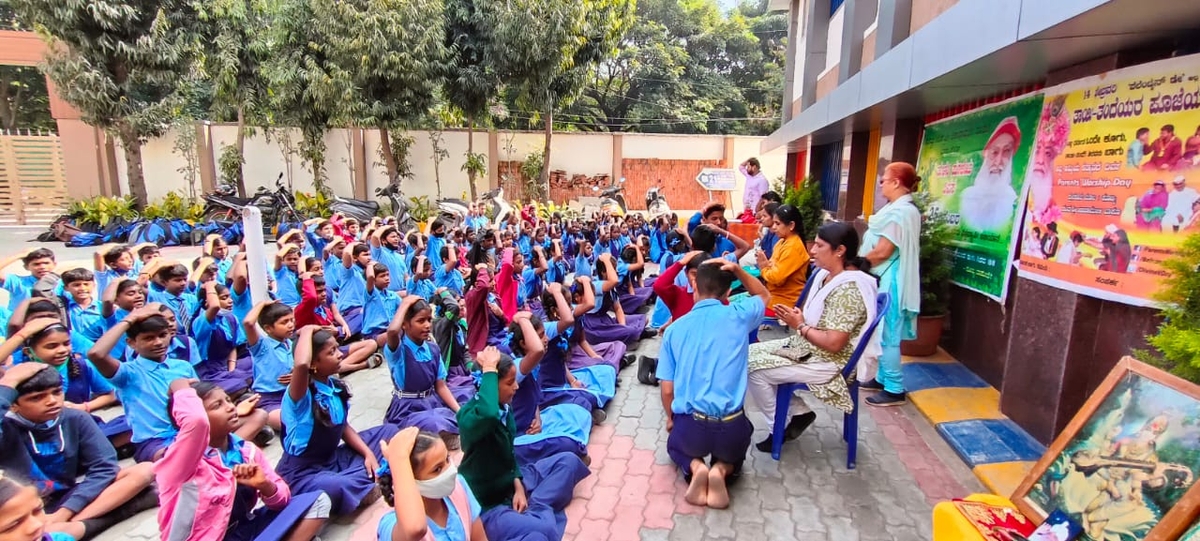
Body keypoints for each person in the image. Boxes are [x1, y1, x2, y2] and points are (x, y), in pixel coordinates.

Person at [746, 222, 879, 453]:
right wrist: (799, 319)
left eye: (819, 245)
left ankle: (780, 426)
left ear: (840, 251)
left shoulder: (849, 289)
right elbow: (819, 320)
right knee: (745, 354)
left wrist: (800, 325)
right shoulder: (826, 275)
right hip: (809, 347)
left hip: (831, 361)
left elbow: (835, 343)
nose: (812, 250)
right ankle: (798, 413)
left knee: (754, 369)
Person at [0, 360, 156, 541]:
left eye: (56, 392)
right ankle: (112, 514)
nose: (51, 401)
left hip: (67, 498)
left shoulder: (75, 417)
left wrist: (65, 512)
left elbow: (105, 467)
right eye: (37, 398)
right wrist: (9, 383)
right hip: (23, 508)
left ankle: (69, 524)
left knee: (144, 470)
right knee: (53, 532)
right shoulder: (6, 427)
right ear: (13, 405)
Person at [158, 379, 330, 541]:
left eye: (228, 400)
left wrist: (265, 485)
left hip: (245, 529)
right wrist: (178, 385)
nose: (231, 407)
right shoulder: (180, 462)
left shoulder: (246, 450)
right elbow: (197, 422)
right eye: (217, 405)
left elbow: (282, 499)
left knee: (319, 502)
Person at [656, 259, 767, 509]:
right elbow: (762, 294)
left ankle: (696, 468)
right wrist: (738, 270)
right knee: (736, 449)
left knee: (676, 445)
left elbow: (667, 390)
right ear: (729, 292)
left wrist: (671, 418)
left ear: (694, 286)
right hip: (731, 426)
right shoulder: (740, 315)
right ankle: (722, 469)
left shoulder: (675, 329)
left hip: (692, 426)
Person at [456, 347, 590, 541]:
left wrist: (518, 486)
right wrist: (490, 369)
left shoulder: (504, 408)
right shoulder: (470, 417)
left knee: (568, 461)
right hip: (490, 508)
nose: (516, 387)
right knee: (545, 532)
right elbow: (488, 415)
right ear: (491, 385)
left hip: (511, 484)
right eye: (510, 383)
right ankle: (536, 512)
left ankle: (535, 505)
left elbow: (510, 456)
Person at [276, 326, 397, 516]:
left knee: (390, 431)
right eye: (331, 352)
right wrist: (306, 330)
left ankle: (364, 477)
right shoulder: (300, 396)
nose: (340, 355)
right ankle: (361, 483)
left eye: (337, 349)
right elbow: (300, 365)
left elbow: (343, 428)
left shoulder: (333, 386)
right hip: (304, 472)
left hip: (333, 458)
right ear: (314, 363)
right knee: (336, 485)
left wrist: (368, 454)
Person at [87, 305, 203, 463]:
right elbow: (96, 354)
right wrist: (129, 320)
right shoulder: (128, 373)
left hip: (189, 432)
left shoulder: (183, 367)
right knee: (178, 458)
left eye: (163, 335)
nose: (158, 342)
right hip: (154, 443)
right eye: (149, 338)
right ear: (131, 343)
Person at [859, 162, 921, 408]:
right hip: (885, 277)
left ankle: (894, 388)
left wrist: (857, 263)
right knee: (883, 331)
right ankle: (883, 379)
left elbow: (884, 251)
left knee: (889, 334)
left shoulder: (902, 212)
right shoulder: (897, 209)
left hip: (892, 278)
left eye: (884, 179)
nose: (880, 183)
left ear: (896, 182)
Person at [382, 296, 471, 438]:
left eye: (429, 320)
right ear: (404, 324)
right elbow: (392, 332)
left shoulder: (433, 349)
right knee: (436, 424)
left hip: (432, 401)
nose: (427, 325)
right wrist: (405, 303)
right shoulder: (399, 351)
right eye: (420, 321)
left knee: (468, 400)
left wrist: (459, 412)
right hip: (408, 409)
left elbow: (441, 387)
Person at [375, 427, 486, 541]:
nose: (450, 471)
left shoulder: (458, 487)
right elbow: (415, 529)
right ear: (411, 481)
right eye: (437, 469)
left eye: (447, 459)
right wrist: (398, 458)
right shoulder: (391, 524)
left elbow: (479, 538)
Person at [192, 281, 254, 396]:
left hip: (226, 365)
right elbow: (215, 306)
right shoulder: (200, 322)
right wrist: (209, 285)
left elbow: (233, 347)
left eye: (229, 296)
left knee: (258, 365)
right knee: (238, 384)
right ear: (207, 303)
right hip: (208, 372)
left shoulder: (230, 318)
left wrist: (231, 370)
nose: (230, 301)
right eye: (224, 298)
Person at [243, 300, 298, 430]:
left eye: (292, 320)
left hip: (293, 393)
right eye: (284, 322)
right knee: (290, 424)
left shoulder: (290, 344)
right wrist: (262, 304)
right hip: (270, 399)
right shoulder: (262, 346)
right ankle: (261, 422)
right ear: (268, 328)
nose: (291, 325)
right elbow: (248, 323)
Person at [959, 117, 1020, 232]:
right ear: (985, 155)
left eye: (1006, 152)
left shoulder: (1012, 200)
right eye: (994, 152)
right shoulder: (967, 196)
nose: (998, 162)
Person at [754, 204, 811, 312]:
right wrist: (767, 264)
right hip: (773, 295)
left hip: (784, 302)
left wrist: (763, 266)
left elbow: (776, 279)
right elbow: (773, 270)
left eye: (777, 223)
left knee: (740, 307)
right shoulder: (781, 242)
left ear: (791, 225)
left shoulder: (793, 247)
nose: (774, 227)